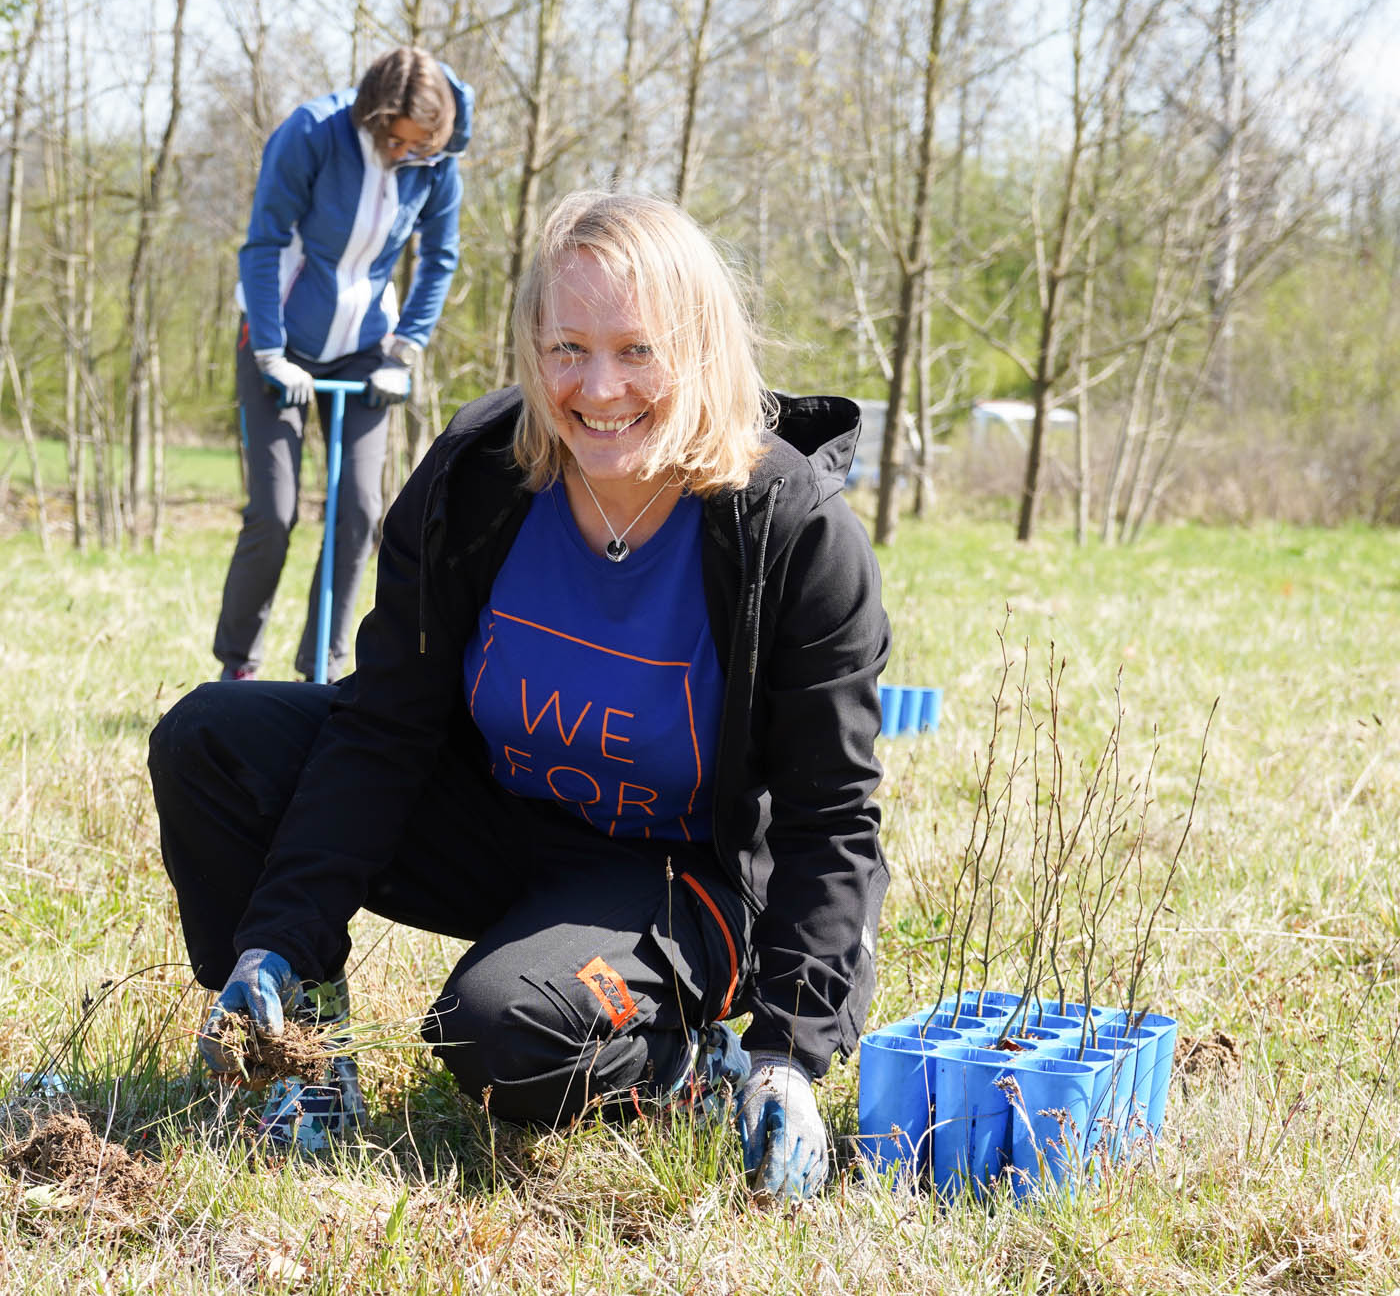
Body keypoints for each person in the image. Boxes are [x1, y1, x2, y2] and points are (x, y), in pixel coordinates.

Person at [153, 192, 890, 1199]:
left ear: (703, 347)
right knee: (213, 738)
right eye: (566, 349)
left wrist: (788, 1052)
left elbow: (830, 819)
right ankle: (306, 1061)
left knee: (499, 1030)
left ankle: (693, 1072)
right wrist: (279, 933)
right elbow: (384, 724)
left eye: (637, 350)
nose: (597, 388)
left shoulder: (793, 537)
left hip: (674, 880)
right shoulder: (478, 477)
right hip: (498, 824)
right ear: (529, 347)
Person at [213, 47, 473, 682]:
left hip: (365, 350)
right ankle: (239, 666)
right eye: (396, 142)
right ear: (373, 119)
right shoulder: (311, 134)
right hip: (280, 338)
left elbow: (439, 258)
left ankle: (322, 669)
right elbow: (265, 239)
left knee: (359, 509)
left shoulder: (438, 161)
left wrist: (405, 349)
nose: (404, 156)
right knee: (273, 513)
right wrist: (272, 352)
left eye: (419, 146)